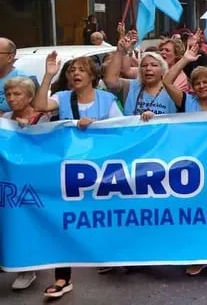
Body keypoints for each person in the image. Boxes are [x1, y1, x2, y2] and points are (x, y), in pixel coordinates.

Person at [32, 53, 123, 299]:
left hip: (102, 171)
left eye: (81, 69)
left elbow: (123, 131)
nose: (75, 73)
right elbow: (40, 106)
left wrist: (96, 125)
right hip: (69, 170)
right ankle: (63, 277)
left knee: (104, 215)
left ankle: (116, 255)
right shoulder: (62, 98)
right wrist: (49, 74)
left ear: (92, 75)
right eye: (72, 70)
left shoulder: (107, 99)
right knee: (63, 217)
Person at [2, 76, 47, 291]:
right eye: (8, 94)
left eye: (17, 94)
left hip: (35, 184)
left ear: (30, 96)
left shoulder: (44, 119)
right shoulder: (4, 120)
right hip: (10, 184)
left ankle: (28, 268)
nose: (11, 99)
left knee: (28, 223)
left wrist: (27, 131)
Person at [104, 36, 178, 117]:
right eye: (144, 65)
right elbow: (110, 81)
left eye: (154, 65)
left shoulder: (172, 93)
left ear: (163, 70)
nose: (148, 68)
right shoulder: (130, 87)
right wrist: (119, 51)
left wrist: (156, 118)